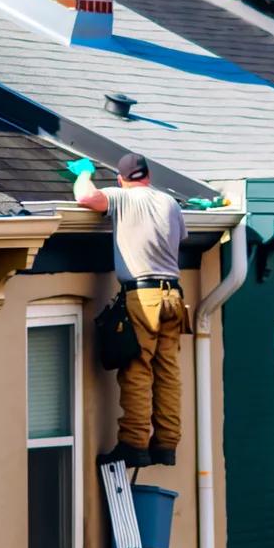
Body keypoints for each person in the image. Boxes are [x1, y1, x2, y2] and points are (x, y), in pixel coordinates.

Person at [68, 153, 188, 468]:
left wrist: (84, 173)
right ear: (148, 175)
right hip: (173, 295)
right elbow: (182, 238)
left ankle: (134, 445)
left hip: (143, 296)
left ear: (122, 179)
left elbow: (86, 197)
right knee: (168, 372)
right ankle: (166, 444)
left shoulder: (121, 198)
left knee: (137, 368)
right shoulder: (170, 203)